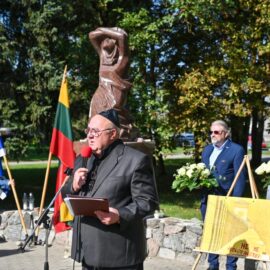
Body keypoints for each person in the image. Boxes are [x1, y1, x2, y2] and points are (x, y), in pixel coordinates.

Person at [61, 108, 159, 270]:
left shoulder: (135, 160)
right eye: (88, 130)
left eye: (96, 131)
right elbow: (65, 193)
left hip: (119, 254)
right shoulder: (83, 158)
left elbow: (147, 202)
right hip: (87, 251)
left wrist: (120, 215)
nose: (90, 135)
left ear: (113, 134)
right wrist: (73, 185)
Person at [201, 120, 247, 270]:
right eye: (211, 132)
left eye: (217, 132)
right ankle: (212, 265)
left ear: (226, 134)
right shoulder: (207, 150)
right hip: (209, 199)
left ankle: (230, 266)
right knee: (211, 233)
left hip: (228, 198)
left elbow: (240, 178)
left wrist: (236, 201)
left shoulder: (236, 150)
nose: (212, 135)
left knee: (230, 234)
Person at [88, 27, 136, 140]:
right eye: (104, 38)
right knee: (95, 117)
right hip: (100, 93)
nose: (105, 39)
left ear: (116, 42)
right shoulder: (102, 57)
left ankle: (121, 134)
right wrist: (106, 30)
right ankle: (95, 137)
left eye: (109, 38)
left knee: (114, 117)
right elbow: (92, 35)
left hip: (115, 94)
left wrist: (113, 31)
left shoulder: (122, 59)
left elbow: (122, 37)